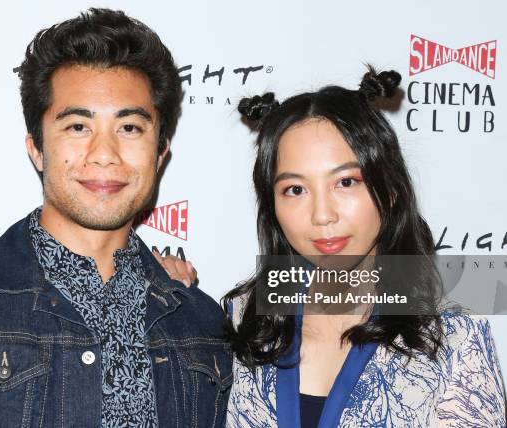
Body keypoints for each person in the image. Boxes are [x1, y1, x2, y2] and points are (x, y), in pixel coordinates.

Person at [0, 8, 232, 427]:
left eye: (129, 128)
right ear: (36, 148)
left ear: (160, 152)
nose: (104, 153)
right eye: (77, 127)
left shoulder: (200, 322)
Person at [162, 68, 506, 427]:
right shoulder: (242, 320)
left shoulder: (448, 337)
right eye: (295, 189)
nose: (322, 215)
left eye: (345, 182)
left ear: (389, 190)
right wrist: (164, 295)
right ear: (272, 206)